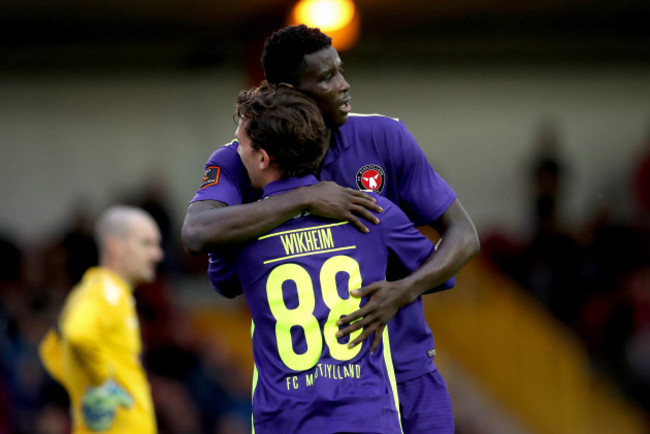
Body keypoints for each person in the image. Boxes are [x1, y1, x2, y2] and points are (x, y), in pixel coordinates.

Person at [182, 25, 480, 433]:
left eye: (340, 70)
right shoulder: (243, 156)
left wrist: (404, 290)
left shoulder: (383, 136)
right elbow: (196, 233)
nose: (343, 85)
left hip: (404, 370)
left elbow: (463, 234)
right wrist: (307, 197)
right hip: (307, 391)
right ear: (289, 89)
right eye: (325, 77)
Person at [215, 82, 457, 433]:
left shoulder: (238, 235)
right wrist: (399, 289)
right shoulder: (374, 212)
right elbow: (440, 272)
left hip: (285, 421)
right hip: (368, 416)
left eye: (241, 145)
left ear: (263, 158)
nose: (237, 152)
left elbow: (223, 284)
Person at [39, 206, 163, 433]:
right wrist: (102, 383)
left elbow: (51, 351)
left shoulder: (100, 293)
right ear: (115, 246)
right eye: (147, 244)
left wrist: (83, 387)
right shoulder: (106, 293)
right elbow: (78, 334)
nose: (157, 254)